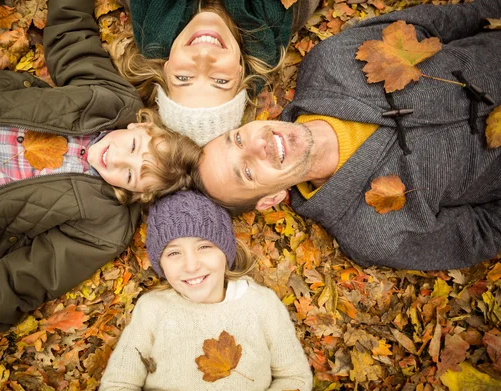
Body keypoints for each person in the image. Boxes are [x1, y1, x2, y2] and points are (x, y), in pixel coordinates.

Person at [0, 0, 201, 336]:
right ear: (139, 127)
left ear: (137, 194)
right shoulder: (111, 103)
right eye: (132, 149)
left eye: (130, 175)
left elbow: (40, 270)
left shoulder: (106, 223)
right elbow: (73, 45)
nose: (115, 159)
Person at [196, 0, 501, 271]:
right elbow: (485, 232)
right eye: (247, 172)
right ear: (271, 199)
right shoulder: (373, 233)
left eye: (237, 140)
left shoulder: (331, 62)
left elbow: (441, 22)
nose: (257, 147)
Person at [98, 190, 313, 391]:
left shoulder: (262, 304)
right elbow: (116, 389)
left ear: (225, 251)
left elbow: (294, 378)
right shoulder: (152, 309)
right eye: (174, 252)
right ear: (160, 264)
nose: (191, 266)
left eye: (204, 247)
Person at [114, 0, 320, 146]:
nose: (204, 55)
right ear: (241, 75)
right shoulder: (294, 10)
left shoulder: (141, 6)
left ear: (166, 68)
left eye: (183, 78)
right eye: (220, 80)